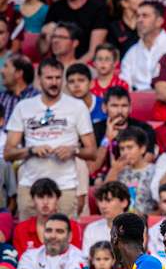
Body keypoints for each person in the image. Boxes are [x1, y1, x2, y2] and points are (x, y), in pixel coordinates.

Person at [4, 57, 97, 219]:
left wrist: (73, 150)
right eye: (49, 78)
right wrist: (31, 150)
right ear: (39, 80)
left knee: (65, 239)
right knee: (29, 242)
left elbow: (92, 151)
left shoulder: (77, 107)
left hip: (65, 186)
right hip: (30, 186)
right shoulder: (24, 107)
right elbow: (8, 153)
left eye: (58, 78)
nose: (54, 82)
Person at [42, 0, 108, 61]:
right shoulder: (56, 8)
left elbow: (94, 51)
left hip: (86, 67)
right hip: (57, 68)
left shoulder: (98, 8)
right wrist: (44, 36)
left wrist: (72, 69)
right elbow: (42, 50)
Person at [120, 2, 166, 91]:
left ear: (159, 21)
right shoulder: (131, 53)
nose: (139, 20)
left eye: (145, 16)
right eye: (138, 16)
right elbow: (124, 83)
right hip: (137, 101)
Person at [13, 214, 85, 269]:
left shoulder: (79, 255)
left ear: (70, 236)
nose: (53, 236)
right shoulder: (30, 254)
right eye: (49, 230)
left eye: (59, 231)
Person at [82, 181, 131, 258]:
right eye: (100, 201)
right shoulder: (92, 228)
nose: (103, 206)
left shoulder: (137, 228)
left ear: (124, 202)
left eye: (108, 200)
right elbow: (86, 259)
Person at [0, 54, 39, 124]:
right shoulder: (1, 97)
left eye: (6, 66)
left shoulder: (36, 98)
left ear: (18, 73)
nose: (1, 71)